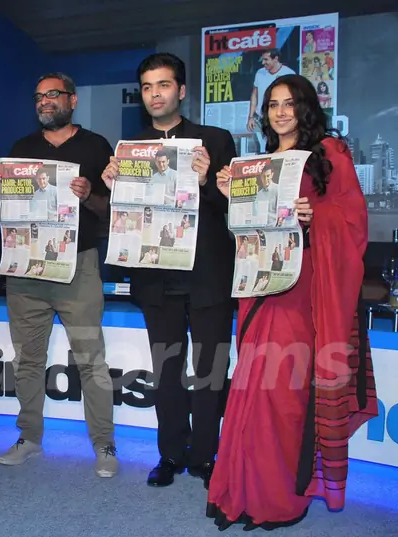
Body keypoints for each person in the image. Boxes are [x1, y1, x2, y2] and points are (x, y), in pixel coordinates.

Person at [206, 74, 378, 531]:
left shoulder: (331, 154)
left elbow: (354, 219)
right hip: (259, 285)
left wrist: (314, 214)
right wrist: (231, 194)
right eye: (273, 104)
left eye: (289, 103)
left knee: (284, 393)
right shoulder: (258, 161)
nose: (280, 112)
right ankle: (242, 489)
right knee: (251, 387)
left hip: (304, 290)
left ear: (307, 108)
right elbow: (247, 229)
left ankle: (279, 498)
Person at [101, 52, 237, 488]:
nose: (154, 94)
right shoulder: (130, 149)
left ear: (181, 90)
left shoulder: (215, 139)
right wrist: (111, 190)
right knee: (167, 371)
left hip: (207, 275)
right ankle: (171, 455)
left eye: (162, 85)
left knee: (211, 371)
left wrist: (206, 182)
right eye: (146, 87)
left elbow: (234, 209)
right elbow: (122, 220)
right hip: (155, 276)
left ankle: (205, 455)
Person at [0, 72, 118, 478]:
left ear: (72, 100)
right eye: (38, 96)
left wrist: (90, 195)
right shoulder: (22, 148)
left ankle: (104, 445)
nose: (44, 101)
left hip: (77, 267)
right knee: (28, 361)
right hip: (26, 268)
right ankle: (29, 438)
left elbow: (111, 211)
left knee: (90, 360)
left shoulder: (96, 146)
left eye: (52, 94)